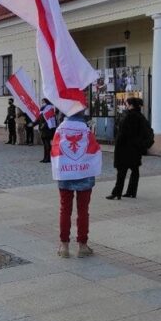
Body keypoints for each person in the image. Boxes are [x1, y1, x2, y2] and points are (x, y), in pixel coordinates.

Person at [51, 110, 101, 258]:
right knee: (83, 211)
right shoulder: (86, 130)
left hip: (65, 175)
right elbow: (95, 150)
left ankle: (64, 246)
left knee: (65, 210)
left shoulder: (60, 129)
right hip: (84, 175)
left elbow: (54, 150)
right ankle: (83, 245)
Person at [107, 97, 151, 199]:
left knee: (121, 172)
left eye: (126, 103)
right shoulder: (140, 116)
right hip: (135, 149)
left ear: (130, 105)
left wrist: (118, 146)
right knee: (134, 170)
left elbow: (123, 134)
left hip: (125, 148)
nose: (126, 105)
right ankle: (131, 192)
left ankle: (116, 193)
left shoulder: (128, 117)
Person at [38, 98, 57, 163]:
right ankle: (45, 158)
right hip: (43, 129)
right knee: (45, 145)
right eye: (42, 101)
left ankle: (48, 158)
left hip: (48, 129)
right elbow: (39, 119)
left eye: (43, 101)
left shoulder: (49, 109)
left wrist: (44, 125)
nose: (42, 103)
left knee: (47, 145)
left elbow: (50, 120)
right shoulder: (42, 110)